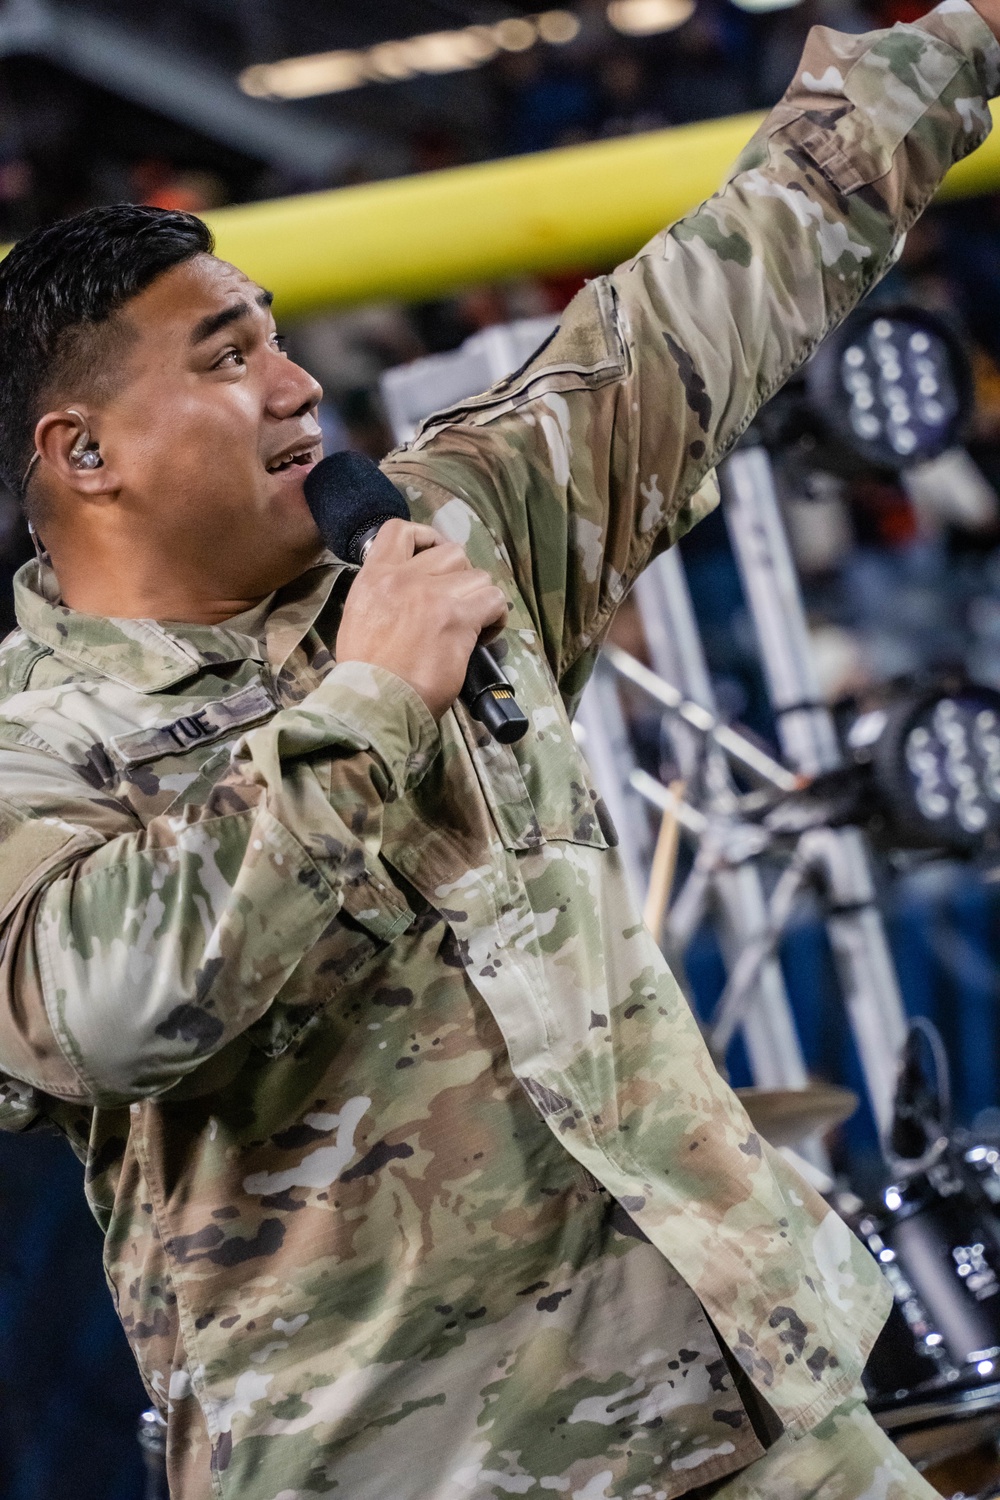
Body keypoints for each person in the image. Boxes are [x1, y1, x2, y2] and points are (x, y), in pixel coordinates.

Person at [0, 4, 997, 1496]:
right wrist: (375, 701)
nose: (295, 388)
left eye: (276, 340)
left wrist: (945, 49)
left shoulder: (434, 535)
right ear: (86, 454)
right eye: (225, 359)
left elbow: (696, 314)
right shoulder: (33, 747)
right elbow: (107, 1014)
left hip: (770, 1425)